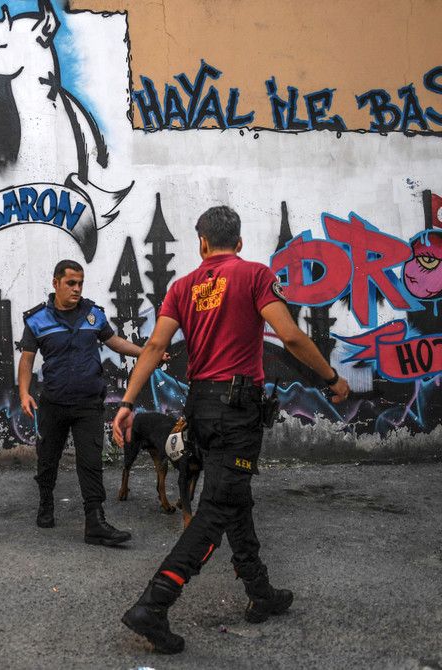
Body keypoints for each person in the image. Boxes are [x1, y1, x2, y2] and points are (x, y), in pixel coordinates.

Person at [112, 206, 350, 654]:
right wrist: (332, 379)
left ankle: (260, 591)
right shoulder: (255, 275)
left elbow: (156, 345)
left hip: (199, 408)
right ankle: (154, 604)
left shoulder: (182, 287)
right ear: (238, 242)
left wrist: (127, 404)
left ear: (201, 242)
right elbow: (291, 336)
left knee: (234, 496)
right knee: (217, 508)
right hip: (237, 411)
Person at [18, 259, 164, 545]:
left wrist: (146, 353)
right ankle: (46, 502)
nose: (77, 289)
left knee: (91, 463)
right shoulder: (37, 320)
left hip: (88, 404)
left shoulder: (92, 314)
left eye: (80, 283)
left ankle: (95, 522)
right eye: (71, 283)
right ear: (56, 283)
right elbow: (26, 360)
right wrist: (24, 393)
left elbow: (114, 342)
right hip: (54, 404)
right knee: (47, 459)